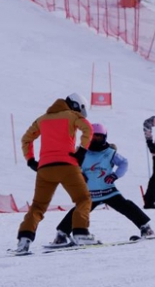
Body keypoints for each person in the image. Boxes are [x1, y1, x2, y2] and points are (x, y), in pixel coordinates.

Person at [11, 93, 96, 254]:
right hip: (67, 166)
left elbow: (26, 139)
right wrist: (82, 151)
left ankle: (24, 240)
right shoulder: (72, 116)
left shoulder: (42, 119)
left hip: (45, 169)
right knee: (83, 199)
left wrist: (30, 160)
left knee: (38, 206)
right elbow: (88, 128)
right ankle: (81, 233)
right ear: (77, 106)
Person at [49, 123, 155, 247]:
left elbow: (124, 163)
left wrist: (115, 175)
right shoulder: (81, 152)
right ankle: (61, 235)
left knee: (127, 206)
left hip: (108, 191)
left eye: (99, 137)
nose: (95, 139)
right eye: (93, 137)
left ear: (104, 137)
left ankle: (146, 228)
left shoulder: (110, 153)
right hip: (90, 193)